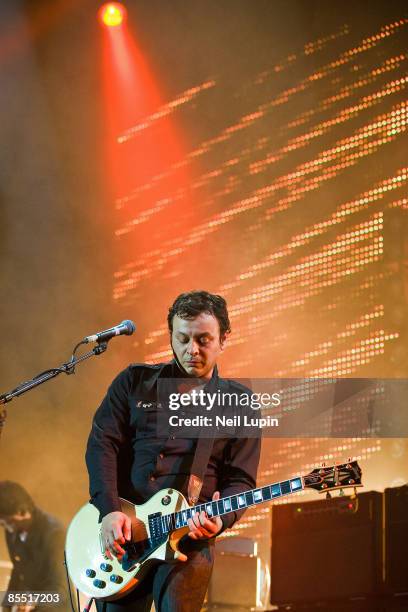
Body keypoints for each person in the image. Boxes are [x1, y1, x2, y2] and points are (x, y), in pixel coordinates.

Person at [86, 290, 261, 612]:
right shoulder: (133, 382)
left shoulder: (240, 403)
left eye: (203, 340)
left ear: (224, 339)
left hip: (188, 541)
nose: (191, 350)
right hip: (127, 535)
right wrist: (109, 509)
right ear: (170, 336)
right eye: (182, 338)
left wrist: (221, 521)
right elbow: (102, 445)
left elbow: (241, 479)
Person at [0, 481, 68, 612]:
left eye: (5, 521)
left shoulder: (54, 533)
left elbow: (61, 590)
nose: (3, 525)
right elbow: (18, 570)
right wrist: (6, 605)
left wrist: (33, 600)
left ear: (22, 512)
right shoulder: (12, 530)